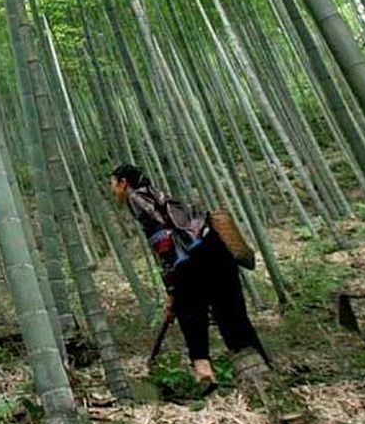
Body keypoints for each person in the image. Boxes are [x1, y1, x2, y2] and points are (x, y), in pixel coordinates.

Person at [111, 164, 264, 391]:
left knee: (190, 315)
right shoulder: (160, 196)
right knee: (231, 312)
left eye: (113, 185)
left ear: (124, 183)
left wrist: (172, 290)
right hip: (216, 249)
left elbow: (164, 243)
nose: (114, 191)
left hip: (190, 261)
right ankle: (257, 371)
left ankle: (204, 374)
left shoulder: (137, 201)